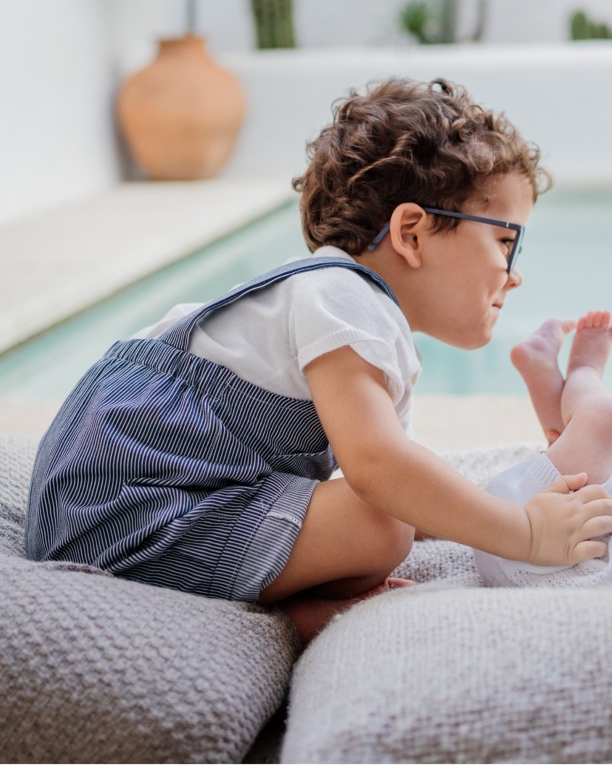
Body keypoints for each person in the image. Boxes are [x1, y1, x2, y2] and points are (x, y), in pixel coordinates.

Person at [25, 78, 612, 644]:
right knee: (380, 520)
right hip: (123, 517)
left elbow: (392, 469)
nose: (516, 273)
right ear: (411, 232)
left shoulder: (339, 301)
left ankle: (289, 602)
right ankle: (289, 617)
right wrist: (524, 533)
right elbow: (378, 468)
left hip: (136, 505)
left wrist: (463, 506)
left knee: (401, 505)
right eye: (506, 242)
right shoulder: (343, 297)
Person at [474, 311, 612, 587]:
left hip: (524, 543)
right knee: (594, 434)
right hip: (527, 535)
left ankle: (583, 370)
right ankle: (558, 401)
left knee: (601, 419)